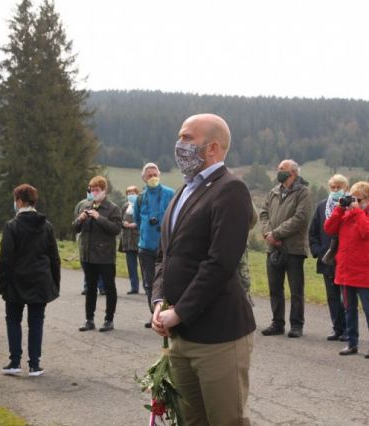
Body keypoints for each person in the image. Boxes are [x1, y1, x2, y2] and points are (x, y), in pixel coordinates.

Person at [152, 113, 255, 425]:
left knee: (225, 421)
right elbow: (164, 256)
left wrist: (180, 311)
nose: (179, 145)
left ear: (212, 148)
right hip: (180, 335)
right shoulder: (183, 191)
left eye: (187, 138)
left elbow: (220, 263)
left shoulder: (231, 189)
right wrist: (159, 303)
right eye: (180, 137)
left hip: (218, 336)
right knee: (189, 421)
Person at [0, 184, 60, 376]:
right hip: (40, 279)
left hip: (16, 280)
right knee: (36, 321)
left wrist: (2, 283)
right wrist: (54, 282)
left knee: (13, 320)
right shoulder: (46, 226)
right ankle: (34, 364)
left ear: (20, 202)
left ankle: (14, 361)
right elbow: (54, 257)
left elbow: (5, 258)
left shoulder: (11, 226)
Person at [324, 181, 369, 359]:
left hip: (364, 270)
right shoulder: (347, 214)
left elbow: (367, 231)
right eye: (352, 198)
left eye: (357, 199)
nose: (354, 202)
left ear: (368, 198)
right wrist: (340, 209)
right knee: (348, 308)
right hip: (346, 269)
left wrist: (356, 210)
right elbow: (328, 228)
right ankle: (352, 342)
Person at [259, 159, 312, 338]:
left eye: (282, 169)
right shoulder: (273, 192)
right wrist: (268, 234)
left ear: (293, 173)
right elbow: (263, 214)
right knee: (275, 288)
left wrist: (277, 234)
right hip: (273, 248)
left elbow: (300, 218)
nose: (278, 171)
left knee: (296, 289)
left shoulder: (303, 192)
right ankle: (277, 323)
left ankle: (296, 325)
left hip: (294, 249)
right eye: (278, 168)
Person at [74, 176, 121, 332]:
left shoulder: (113, 208)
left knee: (109, 288)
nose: (94, 193)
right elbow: (75, 228)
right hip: (87, 255)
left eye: (97, 190)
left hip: (105, 256)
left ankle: (109, 320)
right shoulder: (85, 206)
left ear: (104, 190)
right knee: (90, 288)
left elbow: (115, 229)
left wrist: (99, 218)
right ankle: (89, 319)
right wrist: (80, 220)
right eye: (91, 190)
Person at [133, 162, 174, 327]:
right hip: (145, 247)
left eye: (155, 174)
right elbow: (137, 219)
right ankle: (154, 314)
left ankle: (168, 312)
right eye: (149, 175)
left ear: (160, 175)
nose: (152, 177)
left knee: (167, 280)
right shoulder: (140, 198)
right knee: (149, 282)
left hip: (165, 246)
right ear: (143, 178)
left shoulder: (170, 193)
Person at [309, 174, 349, 341]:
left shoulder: (350, 207)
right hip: (326, 259)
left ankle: (348, 329)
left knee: (345, 297)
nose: (335, 190)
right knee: (332, 296)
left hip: (344, 260)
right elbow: (313, 232)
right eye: (332, 187)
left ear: (345, 188)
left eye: (338, 187)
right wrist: (318, 250)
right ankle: (337, 328)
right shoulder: (321, 207)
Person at [74, 187, 105, 296]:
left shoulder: (104, 205)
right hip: (84, 238)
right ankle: (88, 287)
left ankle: (102, 287)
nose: (91, 193)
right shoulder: (82, 204)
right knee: (86, 265)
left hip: (99, 240)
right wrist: (81, 218)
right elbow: (76, 221)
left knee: (99, 264)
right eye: (89, 191)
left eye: (94, 191)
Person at [119, 185, 141, 294]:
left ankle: (148, 287)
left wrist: (135, 225)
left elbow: (145, 220)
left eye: (132, 193)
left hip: (140, 240)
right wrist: (124, 224)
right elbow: (118, 220)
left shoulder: (141, 205)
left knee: (144, 266)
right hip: (127, 241)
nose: (130, 195)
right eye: (128, 193)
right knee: (131, 266)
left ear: (137, 193)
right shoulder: (125, 207)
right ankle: (134, 287)